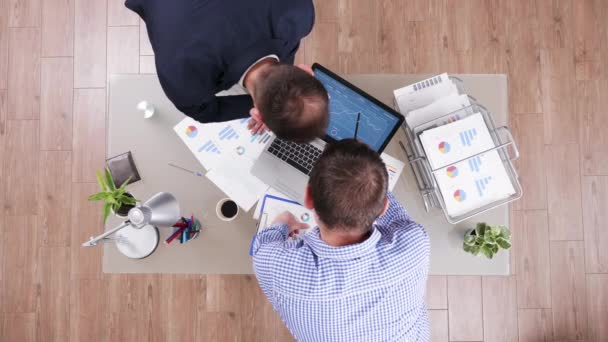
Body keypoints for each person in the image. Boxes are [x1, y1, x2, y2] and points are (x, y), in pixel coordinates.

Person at [251, 139, 431, 341]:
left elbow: (262, 247)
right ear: (383, 208)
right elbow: (384, 203)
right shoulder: (415, 245)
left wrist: (282, 223)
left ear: (308, 198)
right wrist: (358, 169)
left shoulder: (283, 270)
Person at [125, 0, 329, 142]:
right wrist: (269, 108)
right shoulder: (181, 78)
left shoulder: (299, 13)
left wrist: (276, 103)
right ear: (256, 113)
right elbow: (203, 112)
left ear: (306, 70)